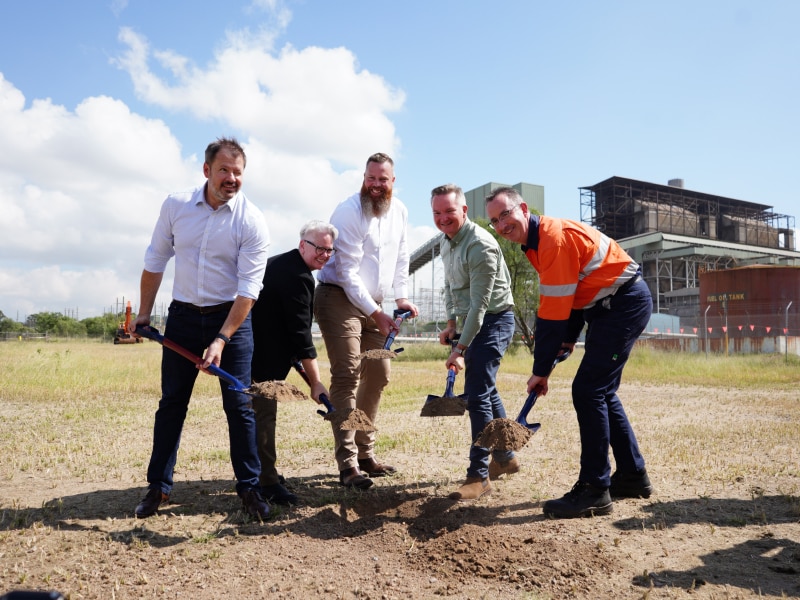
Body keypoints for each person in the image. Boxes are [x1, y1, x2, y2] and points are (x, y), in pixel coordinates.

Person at [485, 186, 653, 519]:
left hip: (622, 304)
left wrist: (541, 369)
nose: (502, 225)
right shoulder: (532, 245)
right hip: (605, 308)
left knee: (588, 390)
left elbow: (550, 314)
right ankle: (632, 476)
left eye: (505, 214)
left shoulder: (551, 240)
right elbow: (570, 293)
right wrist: (569, 338)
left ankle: (594, 489)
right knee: (601, 392)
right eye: (494, 221)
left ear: (524, 209)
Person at [131, 137, 271, 520]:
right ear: (207, 170)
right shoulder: (176, 205)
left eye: (238, 172)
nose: (231, 178)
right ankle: (158, 487)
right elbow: (156, 258)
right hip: (183, 318)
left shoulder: (252, 221)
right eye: (224, 170)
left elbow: (249, 289)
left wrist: (222, 339)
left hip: (233, 320)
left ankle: (249, 488)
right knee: (172, 404)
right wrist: (144, 314)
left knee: (239, 405)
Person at [314, 152, 419, 490]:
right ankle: (347, 466)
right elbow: (345, 272)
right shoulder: (348, 212)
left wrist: (400, 297)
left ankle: (365, 453)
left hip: (375, 303)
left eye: (382, 180)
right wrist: (377, 314)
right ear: (364, 177)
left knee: (379, 372)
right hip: (338, 298)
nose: (375, 186)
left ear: (393, 182)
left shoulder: (399, 211)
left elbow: (401, 256)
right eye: (370, 178)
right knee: (346, 375)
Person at [430, 184, 519, 500]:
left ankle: (478, 475)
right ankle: (506, 457)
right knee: (487, 388)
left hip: (494, 321)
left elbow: (480, 308)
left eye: (449, 212)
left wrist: (459, 350)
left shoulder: (480, 246)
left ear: (464, 211)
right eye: (437, 213)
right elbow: (453, 287)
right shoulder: (446, 242)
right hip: (471, 320)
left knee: (477, 393)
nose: (443, 219)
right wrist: (451, 323)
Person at [250, 220, 337, 505]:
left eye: (329, 250)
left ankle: (263, 472)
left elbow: (284, 324)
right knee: (263, 417)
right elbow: (301, 336)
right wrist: (316, 382)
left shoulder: (281, 263)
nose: (324, 254)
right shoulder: (299, 277)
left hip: (259, 353)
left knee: (257, 417)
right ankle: (266, 482)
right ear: (303, 244)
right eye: (319, 248)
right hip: (259, 359)